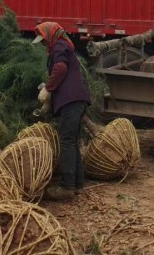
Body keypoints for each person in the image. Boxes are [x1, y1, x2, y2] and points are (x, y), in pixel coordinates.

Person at [32, 21, 91, 201]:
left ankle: (66, 188)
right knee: (71, 142)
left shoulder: (58, 45)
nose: (43, 44)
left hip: (71, 101)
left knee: (66, 141)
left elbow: (61, 68)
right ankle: (78, 185)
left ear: (50, 34)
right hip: (78, 100)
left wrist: (48, 88)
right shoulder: (63, 46)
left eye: (43, 40)